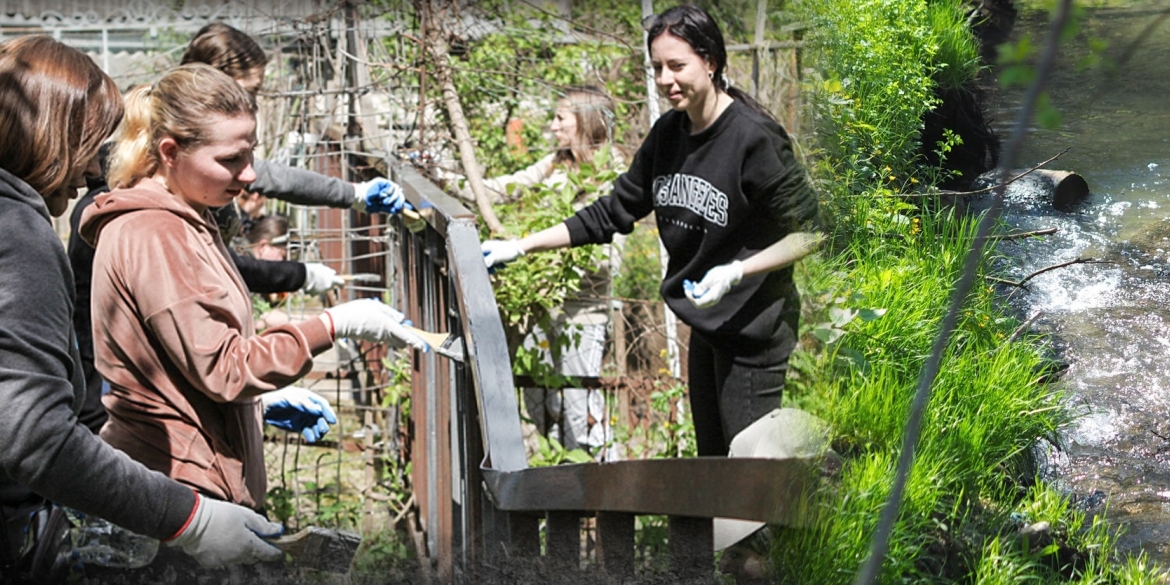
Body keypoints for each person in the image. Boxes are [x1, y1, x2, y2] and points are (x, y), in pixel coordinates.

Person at [78, 64, 427, 516]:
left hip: (197, 474)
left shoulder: (190, 215)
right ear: (169, 151)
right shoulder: (155, 232)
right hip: (181, 491)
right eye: (230, 160)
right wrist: (334, 324)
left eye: (251, 155)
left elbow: (190, 362)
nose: (248, 176)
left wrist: (256, 407)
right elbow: (224, 370)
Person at [0, 36, 284, 581]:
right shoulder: (19, 236)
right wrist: (188, 518)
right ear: (52, 135)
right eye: (88, 145)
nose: (89, 171)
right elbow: (34, 435)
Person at [482, 5, 823, 457]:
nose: (665, 79)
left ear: (711, 61)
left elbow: (812, 233)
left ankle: (824, 492)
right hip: (708, 325)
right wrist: (522, 246)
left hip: (753, 330)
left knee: (748, 467)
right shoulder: (668, 134)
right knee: (714, 463)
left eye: (677, 65)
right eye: (657, 67)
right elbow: (611, 213)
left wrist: (738, 271)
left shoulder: (754, 138)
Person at [474, 87, 625, 457]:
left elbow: (607, 257)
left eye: (561, 118)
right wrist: (454, 182)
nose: (553, 126)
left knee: (580, 410)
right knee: (541, 405)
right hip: (542, 307)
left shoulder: (613, 173)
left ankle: (598, 496)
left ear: (586, 122)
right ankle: (557, 493)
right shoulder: (557, 163)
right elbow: (507, 186)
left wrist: (543, 259)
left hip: (582, 311)